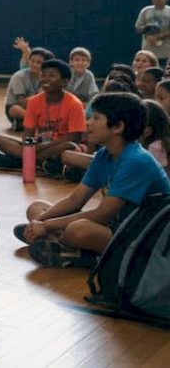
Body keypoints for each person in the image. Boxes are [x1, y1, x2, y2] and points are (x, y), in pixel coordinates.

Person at [15, 93, 170, 267]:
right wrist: (40, 221)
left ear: (117, 126)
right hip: (117, 225)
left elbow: (102, 215)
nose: (88, 122)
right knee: (36, 208)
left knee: (78, 229)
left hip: (145, 237)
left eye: (96, 118)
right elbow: (75, 200)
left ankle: (78, 252)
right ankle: (69, 249)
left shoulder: (136, 160)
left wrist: (48, 226)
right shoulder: (105, 154)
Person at [0, 59, 86, 168]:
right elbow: (27, 135)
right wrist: (33, 146)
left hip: (59, 146)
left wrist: (39, 148)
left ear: (64, 82)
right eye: (43, 75)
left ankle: (23, 161)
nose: (46, 79)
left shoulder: (74, 104)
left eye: (52, 76)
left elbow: (73, 138)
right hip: (38, 145)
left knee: (70, 146)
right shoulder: (33, 102)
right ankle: (37, 161)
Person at [135, 0, 170, 66]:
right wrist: (148, 31)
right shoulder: (145, 11)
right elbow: (138, 28)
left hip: (166, 52)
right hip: (148, 52)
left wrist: (158, 36)